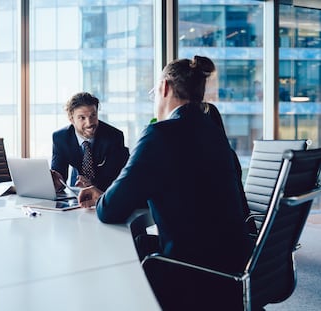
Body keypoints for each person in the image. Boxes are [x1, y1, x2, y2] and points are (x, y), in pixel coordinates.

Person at [78, 56, 254, 309]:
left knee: (118, 267)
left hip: (194, 272)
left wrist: (103, 197)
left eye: (155, 93)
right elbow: (188, 187)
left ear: (165, 88)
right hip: (235, 264)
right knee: (139, 244)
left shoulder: (160, 134)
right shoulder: (212, 129)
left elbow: (109, 210)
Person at [51, 92, 129, 192]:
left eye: (93, 115)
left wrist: (92, 185)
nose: (89, 123)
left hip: (105, 192)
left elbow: (116, 175)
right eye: (82, 118)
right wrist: (57, 183)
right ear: (71, 119)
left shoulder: (114, 136)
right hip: (76, 191)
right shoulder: (60, 138)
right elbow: (59, 172)